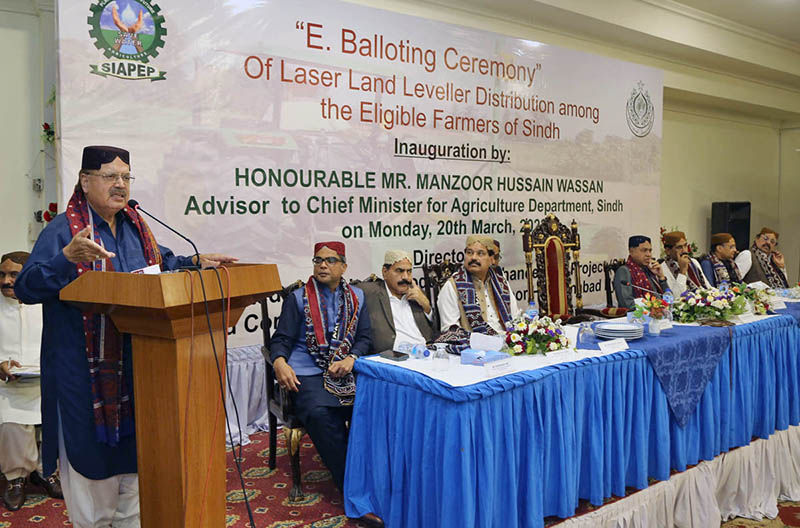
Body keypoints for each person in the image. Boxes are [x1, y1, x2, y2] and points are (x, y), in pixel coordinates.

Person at [14, 145, 236, 528]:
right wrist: (66, 258)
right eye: (110, 176)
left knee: (136, 492)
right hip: (85, 382)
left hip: (139, 377)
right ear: (85, 181)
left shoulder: (137, 227)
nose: (120, 185)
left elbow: (161, 263)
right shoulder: (63, 231)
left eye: (126, 177)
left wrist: (195, 262)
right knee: (94, 491)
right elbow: (26, 288)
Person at [269, 241, 383, 528]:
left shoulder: (357, 296)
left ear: (344, 267)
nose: (322, 265)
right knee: (322, 414)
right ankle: (355, 492)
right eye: (318, 260)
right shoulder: (297, 298)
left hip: (345, 369)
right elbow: (281, 339)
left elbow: (364, 338)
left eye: (330, 261)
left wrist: (352, 358)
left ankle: (377, 480)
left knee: (375, 407)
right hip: (307, 373)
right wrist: (280, 362)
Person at [0, 251, 62, 511]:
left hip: (46, 381)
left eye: (14, 275)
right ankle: (16, 479)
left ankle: (46, 471)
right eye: (2, 274)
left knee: (59, 416)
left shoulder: (48, 303)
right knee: (13, 422)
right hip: (6, 385)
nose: (6, 281)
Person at [437, 235, 519, 340]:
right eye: (469, 253)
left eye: (480, 253)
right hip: (473, 346)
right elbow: (450, 330)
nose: (474, 258)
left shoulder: (501, 283)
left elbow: (515, 318)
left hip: (507, 342)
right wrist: (484, 340)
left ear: (492, 259)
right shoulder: (452, 286)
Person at [359, 250, 437, 354]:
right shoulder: (369, 292)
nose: (405, 277)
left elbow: (435, 330)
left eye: (409, 271)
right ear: (385, 272)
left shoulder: (417, 294)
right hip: (393, 357)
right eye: (399, 271)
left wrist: (427, 307)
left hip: (424, 353)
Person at [613, 235, 668, 309]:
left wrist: (661, 277)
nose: (648, 254)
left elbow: (668, 299)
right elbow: (627, 304)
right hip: (634, 318)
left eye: (650, 250)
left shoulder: (649, 270)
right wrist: (653, 306)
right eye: (644, 250)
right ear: (631, 251)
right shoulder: (624, 271)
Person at [660, 231, 710, 296]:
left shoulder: (693, 262)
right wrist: (682, 272)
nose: (684, 250)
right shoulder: (663, 269)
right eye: (679, 247)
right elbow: (676, 296)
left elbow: (708, 286)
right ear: (668, 251)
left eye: (685, 246)